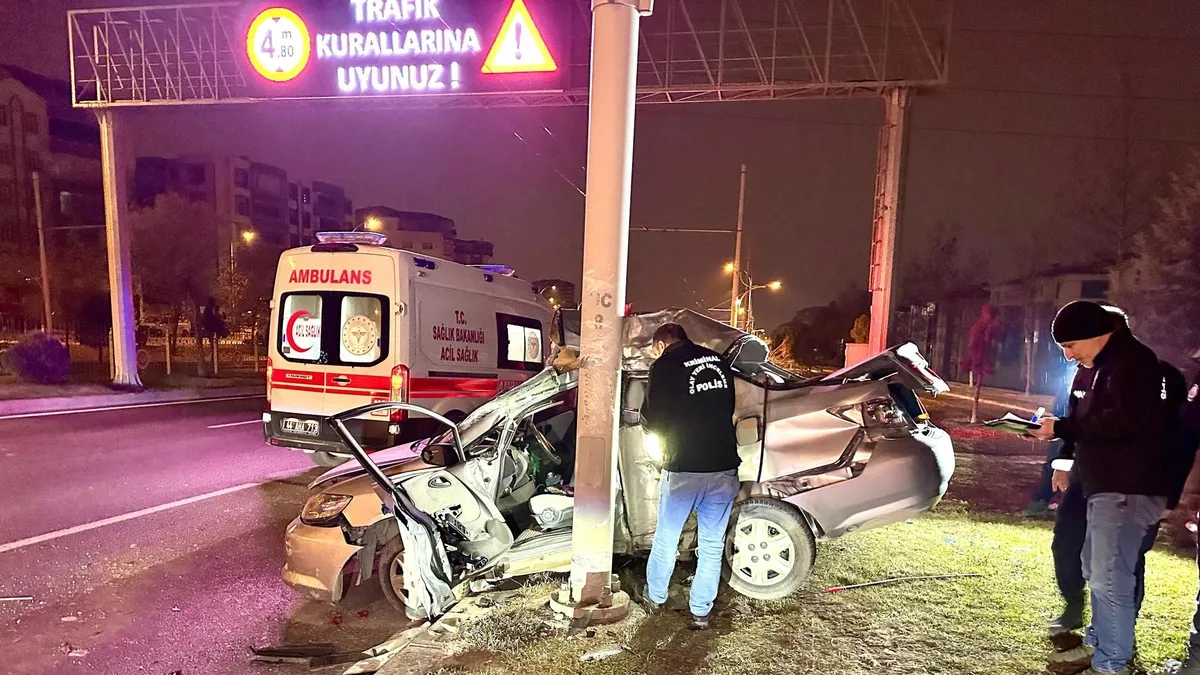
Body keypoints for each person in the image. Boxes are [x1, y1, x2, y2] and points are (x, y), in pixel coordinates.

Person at [1032, 300, 1173, 675]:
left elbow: (1124, 424)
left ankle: (1112, 663)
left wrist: (1062, 429)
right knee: (1096, 569)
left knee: (1111, 576)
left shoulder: (1134, 364)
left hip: (1128, 487)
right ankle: (1099, 647)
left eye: (1070, 344)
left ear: (1095, 335)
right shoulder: (1105, 365)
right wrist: (1063, 436)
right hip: (1106, 485)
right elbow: (1095, 420)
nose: (1067, 354)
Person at [640, 323, 741, 630]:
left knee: (667, 538)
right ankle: (700, 611)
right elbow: (728, 407)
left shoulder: (664, 365)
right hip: (724, 465)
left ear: (661, 344)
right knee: (711, 544)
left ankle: (655, 598)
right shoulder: (718, 361)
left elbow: (652, 419)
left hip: (684, 467)